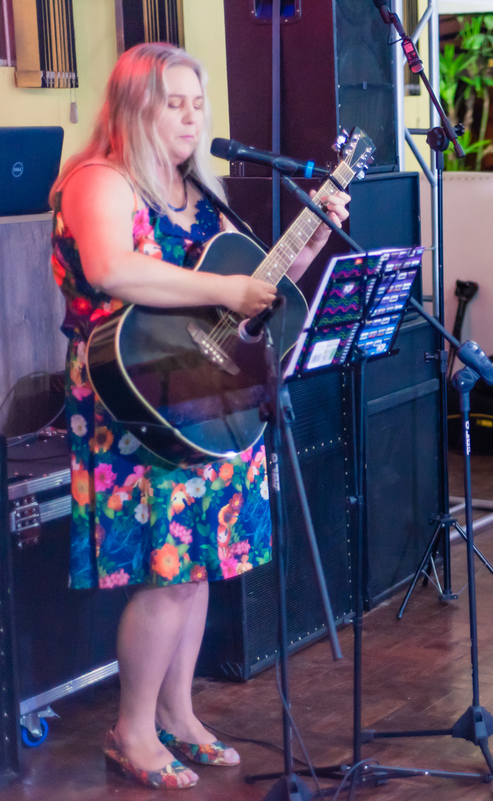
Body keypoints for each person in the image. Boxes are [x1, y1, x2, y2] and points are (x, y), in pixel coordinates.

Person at [51, 43, 348, 789]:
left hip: (206, 394)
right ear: (134, 108)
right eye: (173, 103)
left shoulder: (197, 192)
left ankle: (178, 715)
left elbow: (251, 292)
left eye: (197, 104)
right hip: (134, 397)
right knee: (166, 571)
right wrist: (228, 289)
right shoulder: (99, 180)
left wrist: (310, 238)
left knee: (197, 565)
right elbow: (112, 268)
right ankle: (131, 730)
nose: (191, 118)